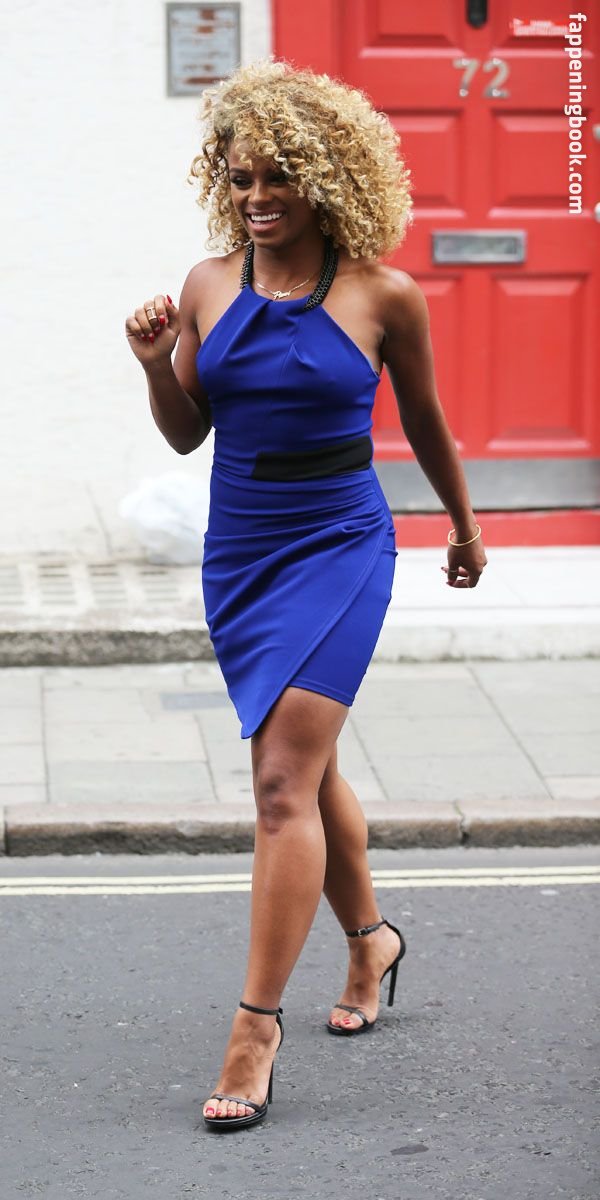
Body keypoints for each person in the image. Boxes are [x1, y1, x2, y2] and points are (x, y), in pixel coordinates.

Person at [125, 57, 487, 1132]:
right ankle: (372, 940)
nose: (257, 196)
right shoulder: (208, 284)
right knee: (304, 765)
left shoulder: (384, 294)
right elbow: (188, 433)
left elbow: (425, 421)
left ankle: (254, 1030)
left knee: (281, 780)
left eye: (277, 176)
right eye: (241, 178)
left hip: (340, 543)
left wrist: (465, 526)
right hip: (242, 550)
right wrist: (155, 362)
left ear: (327, 178)